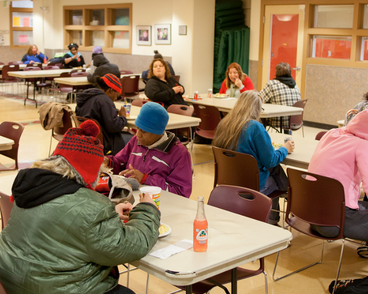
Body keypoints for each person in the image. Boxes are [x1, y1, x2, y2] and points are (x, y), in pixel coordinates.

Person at [0, 120, 160, 294]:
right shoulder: (89, 206)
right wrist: (147, 209)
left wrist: (108, 214)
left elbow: (60, 225)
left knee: (80, 290)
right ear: (88, 169)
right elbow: (132, 246)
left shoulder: (31, 187)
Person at [309, 108, 368, 273]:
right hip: (332, 221)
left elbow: (337, 162)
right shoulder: (362, 145)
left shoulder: (332, 133)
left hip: (310, 213)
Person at [213, 91, 294, 224]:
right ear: (256, 109)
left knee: (274, 170)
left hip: (227, 180)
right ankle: (276, 215)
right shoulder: (255, 127)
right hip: (253, 185)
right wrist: (285, 148)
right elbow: (270, 160)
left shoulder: (224, 124)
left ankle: (279, 209)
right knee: (276, 174)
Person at [105, 102, 193, 198]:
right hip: (131, 198)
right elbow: (120, 162)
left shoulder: (179, 154)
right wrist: (109, 162)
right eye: (137, 128)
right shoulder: (136, 141)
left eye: (144, 131)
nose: (138, 135)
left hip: (158, 204)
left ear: (158, 132)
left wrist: (145, 178)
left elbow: (180, 193)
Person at [76, 73, 129, 155]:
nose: (115, 99)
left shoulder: (87, 97)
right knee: (131, 139)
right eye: (116, 95)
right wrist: (122, 117)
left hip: (86, 141)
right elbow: (113, 126)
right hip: (104, 144)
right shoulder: (104, 100)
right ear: (110, 90)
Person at [259, 62, 302, 133]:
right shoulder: (295, 85)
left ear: (276, 72)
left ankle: (262, 139)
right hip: (294, 119)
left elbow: (259, 99)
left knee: (258, 116)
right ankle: (288, 137)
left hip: (278, 119)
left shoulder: (272, 84)